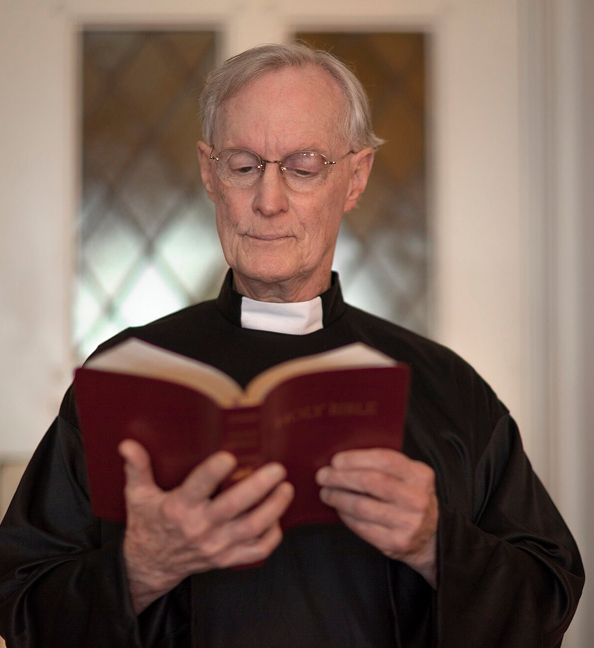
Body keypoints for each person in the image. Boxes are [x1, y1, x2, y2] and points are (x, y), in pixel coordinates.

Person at [0, 44, 584, 648]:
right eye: (243, 165)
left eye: (304, 167)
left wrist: (437, 544)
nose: (269, 200)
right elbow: (20, 604)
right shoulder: (126, 376)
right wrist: (139, 570)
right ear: (208, 172)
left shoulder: (446, 387)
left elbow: (548, 598)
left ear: (355, 177)